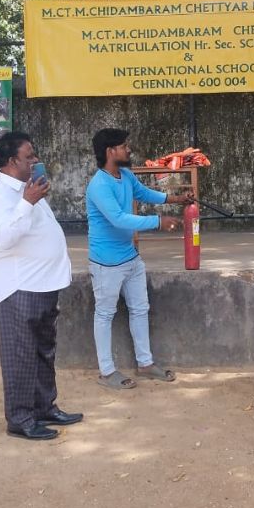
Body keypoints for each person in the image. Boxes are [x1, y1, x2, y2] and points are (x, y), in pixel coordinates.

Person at [0, 131, 82, 441]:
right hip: (20, 287)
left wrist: (29, 199)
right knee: (20, 355)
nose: (35, 160)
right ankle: (20, 419)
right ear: (12, 161)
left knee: (43, 352)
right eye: (29, 156)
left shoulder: (29, 188)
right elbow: (4, 238)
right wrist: (26, 203)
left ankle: (44, 407)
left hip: (44, 284)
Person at [87, 128, 192, 390]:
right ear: (110, 151)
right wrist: (158, 221)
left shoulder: (125, 175)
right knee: (104, 314)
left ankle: (145, 363)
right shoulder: (99, 185)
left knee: (140, 309)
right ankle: (106, 372)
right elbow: (118, 219)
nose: (129, 149)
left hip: (131, 257)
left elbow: (144, 193)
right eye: (124, 146)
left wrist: (175, 198)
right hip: (106, 263)